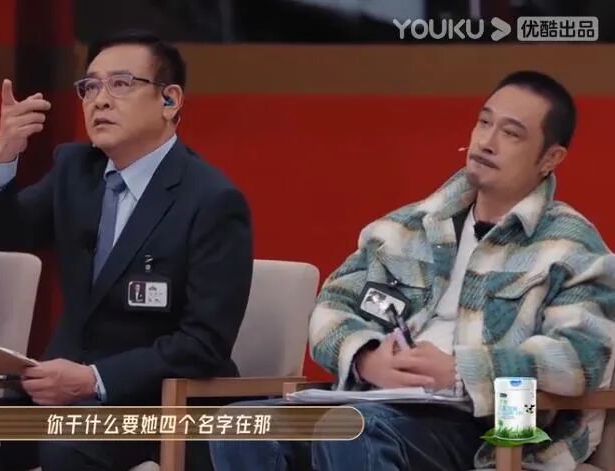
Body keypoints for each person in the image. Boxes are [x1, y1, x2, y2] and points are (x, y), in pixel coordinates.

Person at [210, 70, 615, 470]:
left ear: (550, 158)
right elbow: (332, 306)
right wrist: (367, 358)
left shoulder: (571, 248)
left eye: (511, 133)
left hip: (484, 427)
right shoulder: (406, 229)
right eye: (484, 122)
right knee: (242, 424)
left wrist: (460, 371)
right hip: (376, 403)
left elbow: (581, 357)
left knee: (352, 428)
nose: (486, 141)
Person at [0, 30, 254, 471]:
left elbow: (203, 344)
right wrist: (3, 158)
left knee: (66, 447)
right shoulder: (75, 170)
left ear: (169, 100)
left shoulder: (212, 201)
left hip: (155, 407)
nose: (100, 100)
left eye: (120, 84)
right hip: (64, 399)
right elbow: (4, 235)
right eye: (90, 87)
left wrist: (94, 380)